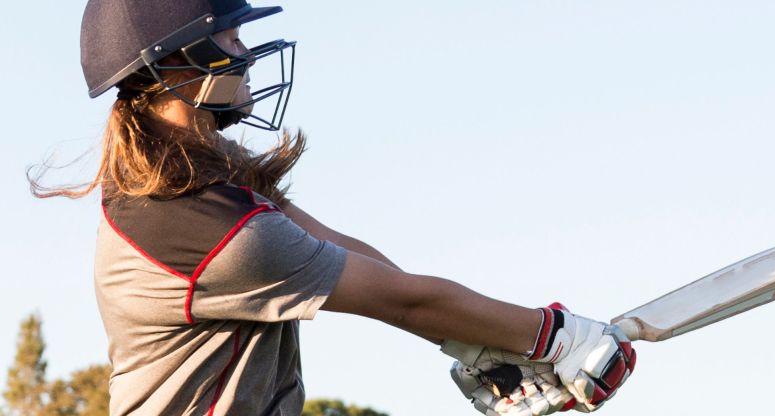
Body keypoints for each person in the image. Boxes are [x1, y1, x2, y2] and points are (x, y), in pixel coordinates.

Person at [30, 1, 636, 415]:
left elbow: (355, 261)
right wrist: (555, 339)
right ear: (177, 63)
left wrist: (476, 345)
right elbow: (401, 299)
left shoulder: (208, 185)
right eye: (232, 37)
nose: (247, 52)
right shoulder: (206, 227)